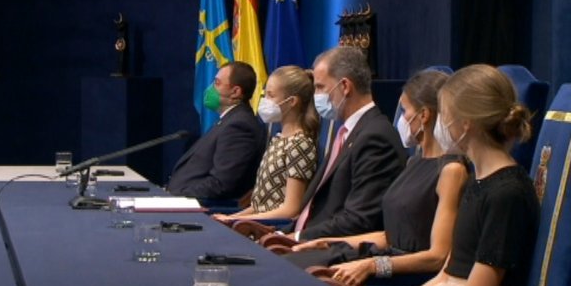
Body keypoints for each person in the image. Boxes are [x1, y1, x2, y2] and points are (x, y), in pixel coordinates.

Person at [376, 64, 540, 286]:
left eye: (445, 115)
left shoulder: (507, 193)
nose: (441, 126)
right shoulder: (478, 179)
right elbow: (446, 274)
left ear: (465, 124)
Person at [285, 69, 470, 286]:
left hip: (408, 275)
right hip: (382, 259)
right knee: (289, 261)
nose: (401, 119)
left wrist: (374, 265)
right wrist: (326, 242)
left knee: (297, 275)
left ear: (424, 116)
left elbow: (437, 257)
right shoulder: (414, 163)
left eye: (404, 110)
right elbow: (391, 236)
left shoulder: (451, 170)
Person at [253, 46, 407, 246]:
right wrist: (280, 235)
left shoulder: (375, 138)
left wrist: (295, 239)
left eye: (320, 87)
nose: (315, 96)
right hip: (306, 240)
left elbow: (358, 220)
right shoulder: (348, 133)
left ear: (345, 86)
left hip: (332, 252)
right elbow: (311, 208)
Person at [212, 65, 320, 221]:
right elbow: (259, 205)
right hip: (257, 222)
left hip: (273, 228)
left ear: (292, 102)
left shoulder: (300, 144)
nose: (264, 101)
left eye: (270, 95)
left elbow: (291, 209)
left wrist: (235, 221)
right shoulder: (277, 139)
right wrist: (230, 219)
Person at [166, 61, 266, 200]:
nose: (210, 88)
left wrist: (176, 197)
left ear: (236, 92)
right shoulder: (229, 120)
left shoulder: (239, 126)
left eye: (217, 83)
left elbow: (220, 184)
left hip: (204, 210)